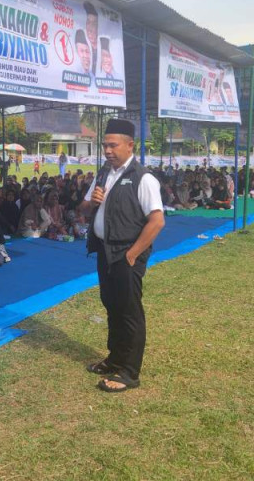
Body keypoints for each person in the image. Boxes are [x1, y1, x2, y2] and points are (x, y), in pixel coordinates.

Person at [81, 118, 165, 393]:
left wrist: (132, 255)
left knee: (129, 312)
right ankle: (115, 358)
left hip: (126, 254)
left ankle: (129, 371)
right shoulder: (104, 173)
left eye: (112, 145)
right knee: (112, 306)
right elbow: (82, 209)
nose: (107, 150)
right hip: (105, 252)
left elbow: (156, 221)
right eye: (104, 145)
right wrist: (90, 202)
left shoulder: (144, 178)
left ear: (130, 146)